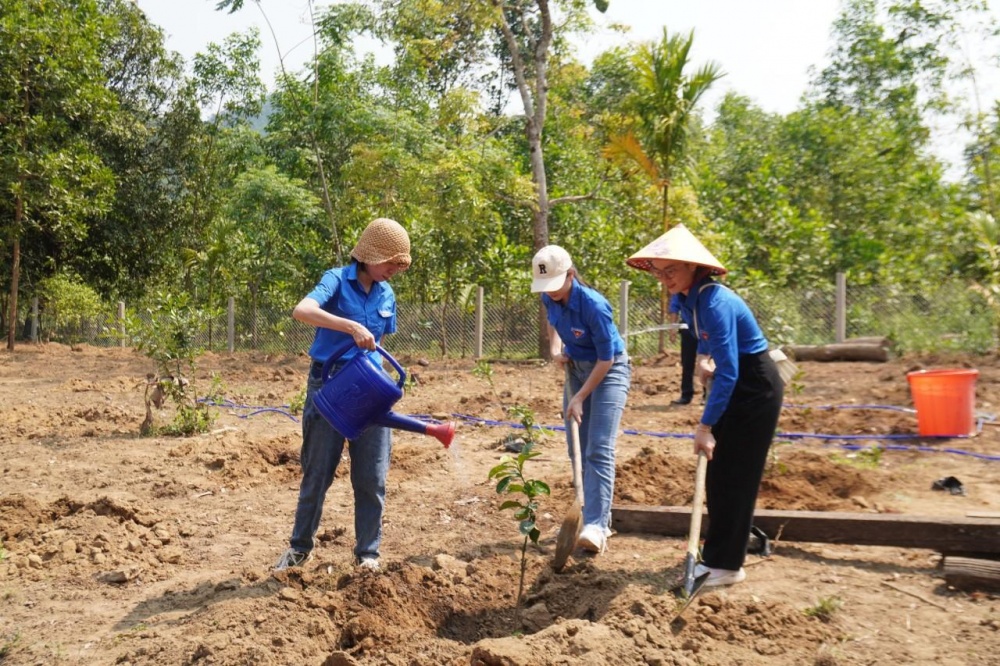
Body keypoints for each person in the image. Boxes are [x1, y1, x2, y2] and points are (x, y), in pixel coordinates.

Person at [626, 224, 783, 587]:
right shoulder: (688, 298)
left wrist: (705, 426)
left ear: (694, 267)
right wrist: (702, 356)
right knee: (720, 476)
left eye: (672, 271)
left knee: (736, 477)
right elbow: (705, 340)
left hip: (754, 387)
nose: (665, 278)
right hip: (736, 381)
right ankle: (717, 556)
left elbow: (729, 371)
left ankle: (727, 566)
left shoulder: (714, 301)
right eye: (659, 272)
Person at [274, 218, 412, 572]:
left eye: (399, 265)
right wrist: (349, 326)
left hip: (368, 389)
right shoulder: (335, 280)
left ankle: (368, 554)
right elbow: (302, 311)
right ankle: (299, 549)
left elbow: (380, 345)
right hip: (330, 387)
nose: (394, 270)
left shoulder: (387, 293)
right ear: (370, 254)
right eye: (390, 263)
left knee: (372, 476)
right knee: (317, 473)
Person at [531, 245, 631, 554]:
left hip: (608, 372)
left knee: (598, 448)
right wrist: (556, 349)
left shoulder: (594, 306)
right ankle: (592, 516)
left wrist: (579, 397)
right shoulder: (550, 295)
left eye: (555, 284)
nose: (550, 292)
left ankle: (598, 526)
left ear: (571, 275)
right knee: (578, 451)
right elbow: (552, 320)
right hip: (575, 369)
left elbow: (606, 360)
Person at [667, 293, 698, 405]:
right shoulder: (679, 292)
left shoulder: (703, 290)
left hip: (705, 327)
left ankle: (707, 395)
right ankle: (686, 395)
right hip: (688, 329)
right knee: (687, 363)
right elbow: (674, 309)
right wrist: (673, 329)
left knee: (707, 361)